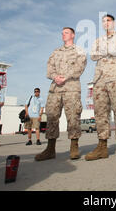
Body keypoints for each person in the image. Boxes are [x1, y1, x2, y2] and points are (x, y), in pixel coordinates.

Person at [35, 27, 87, 161]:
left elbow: (80, 67)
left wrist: (66, 76)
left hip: (71, 88)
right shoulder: (56, 51)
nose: (63, 35)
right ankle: (50, 149)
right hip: (55, 88)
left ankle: (74, 147)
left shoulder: (79, 51)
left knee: (73, 117)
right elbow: (49, 66)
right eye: (62, 33)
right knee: (52, 117)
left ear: (73, 35)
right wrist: (54, 77)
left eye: (66, 33)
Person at [86, 14, 116, 161]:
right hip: (99, 79)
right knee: (100, 112)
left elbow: (115, 50)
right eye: (103, 21)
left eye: (108, 21)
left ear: (114, 23)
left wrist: (103, 50)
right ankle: (102, 146)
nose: (106, 23)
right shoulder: (98, 40)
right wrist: (105, 49)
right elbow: (92, 55)